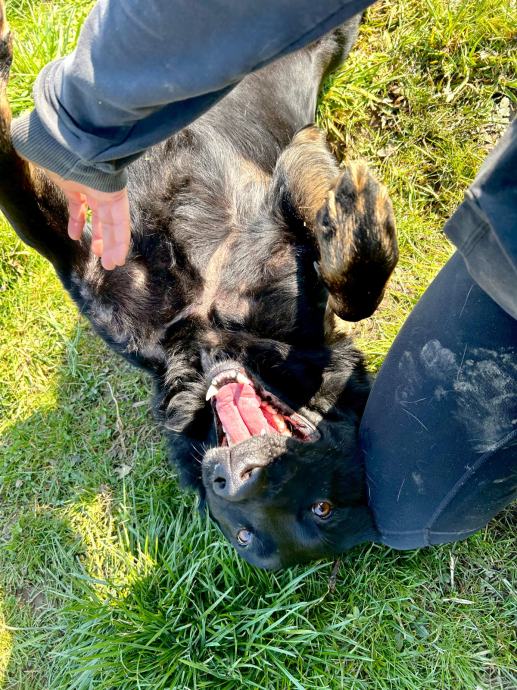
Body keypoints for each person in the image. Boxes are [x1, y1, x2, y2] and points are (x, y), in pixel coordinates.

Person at [10, 0, 516, 550]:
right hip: (291, 25)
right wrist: (355, 276)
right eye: (320, 509)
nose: (243, 487)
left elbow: (43, 218)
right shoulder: (296, 316)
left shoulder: (142, 331)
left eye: (246, 535)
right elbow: (301, 156)